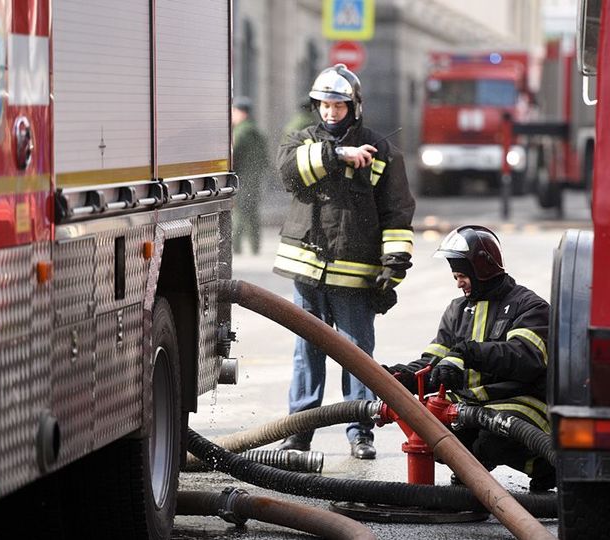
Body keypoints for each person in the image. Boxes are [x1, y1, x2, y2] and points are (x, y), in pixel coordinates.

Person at [273, 63, 416, 459]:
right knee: (308, 352)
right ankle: (299, 432)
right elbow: (287, 173)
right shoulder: (301, 142)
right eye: (324, 106)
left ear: (353, 106)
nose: (330, 113)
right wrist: (338, 155)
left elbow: (397, 214)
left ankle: (360, 432)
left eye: (338, 106)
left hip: (355, 276)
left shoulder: (383, 152)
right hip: (308, 271)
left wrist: (393, 269)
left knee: (356, 355)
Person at [385, 225, 555, 491]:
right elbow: (435, 359)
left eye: (462, 275)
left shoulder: (528, 306)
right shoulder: (457, 310)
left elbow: (525, 357)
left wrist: (470, 353)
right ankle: (471, 468)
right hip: (470, 404)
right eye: (455, 276)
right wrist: (404, 376)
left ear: (482, 269)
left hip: (520, 401)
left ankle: (546, 466)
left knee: (491, 440)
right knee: (431, 430)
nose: (458, 283)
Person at [231, 96, 270, 254]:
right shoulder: (257, 131)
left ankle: (235, 248)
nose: (232, 115)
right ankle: (255, 247)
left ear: (242, 113)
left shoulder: (240, 132)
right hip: (254, 180)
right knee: (252, 213)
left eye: (234, 111)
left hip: (241, 180)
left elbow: (234, 157)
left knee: (239, 214)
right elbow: (265, 160)